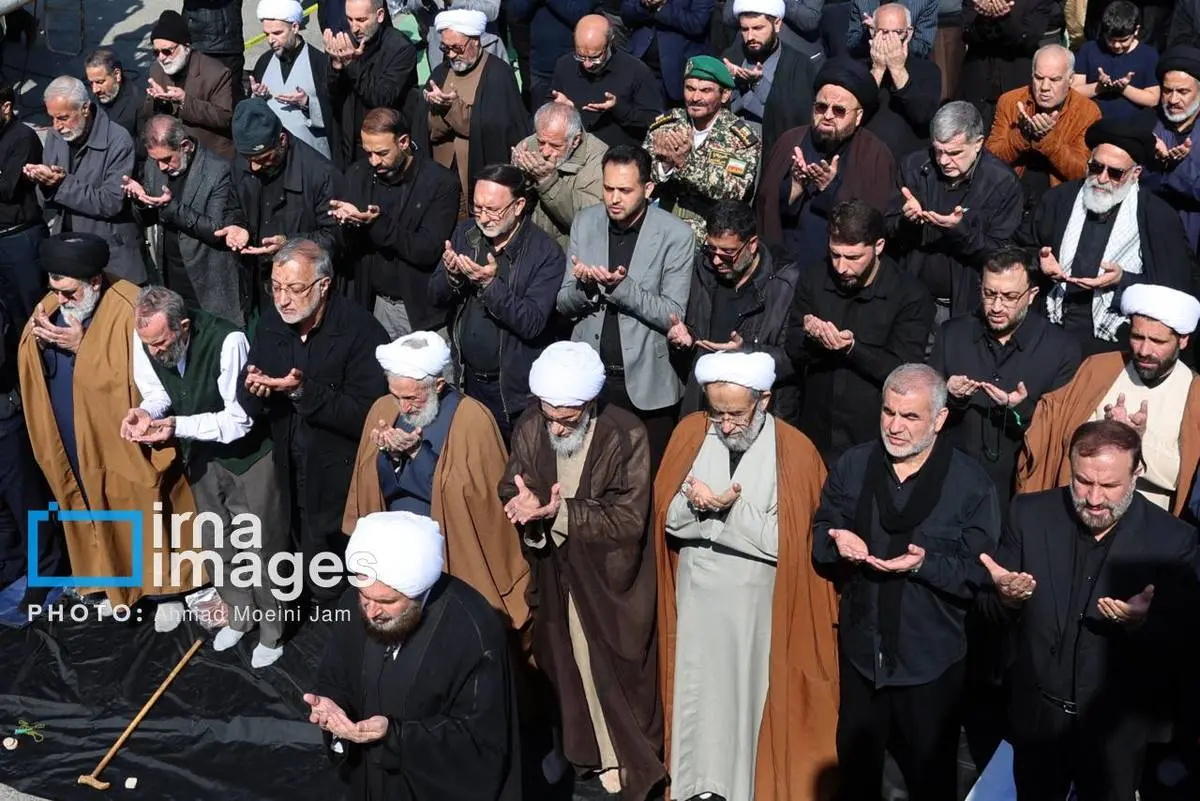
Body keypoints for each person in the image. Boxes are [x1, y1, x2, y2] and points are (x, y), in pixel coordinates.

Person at [653, 350, 840, 801]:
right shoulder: (690, 434)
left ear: (764, 401)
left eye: (736, 414)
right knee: (698, 697)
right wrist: (699, 508)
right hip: (697, 601)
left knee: (744, 700)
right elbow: (666, 517)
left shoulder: (795, 452)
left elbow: (789, 542)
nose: (726, 424)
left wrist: (727, 511)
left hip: (753, 608)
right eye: (717, 413)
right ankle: (695, 784)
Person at [981, 419, 1200, 800]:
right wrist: (1006, 599)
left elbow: (1186, 641)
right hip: (1037, 723)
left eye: (1110, 485)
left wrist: (1141, 625)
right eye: (1083, 481)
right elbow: (988, 614)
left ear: (1137, 472)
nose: (1094, 498)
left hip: (1115, 734)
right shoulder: (1028, 515)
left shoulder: (1173, 540)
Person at [813, 363, 1001, 801]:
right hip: (862, 656)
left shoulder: (970, 484)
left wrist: (924, 565)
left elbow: (979, 575)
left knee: (928, 780)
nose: (894, 427)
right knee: (856, 778)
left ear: (939, 419)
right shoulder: (854, 465)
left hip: (929, 663)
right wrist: (836, 541)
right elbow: (821, 533)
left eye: (910, 416)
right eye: (888, 412)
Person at [499, 341, 664, 799]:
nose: (555, 427)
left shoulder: (625, 434)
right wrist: (527, 508)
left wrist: (561, 512)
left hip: (608, 578)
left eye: (566, 420)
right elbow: (512, 484)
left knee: (613, 667)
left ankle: (624, 757)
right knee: (564, 662)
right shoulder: (531, 426)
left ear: (589, 405)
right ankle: (583, 751)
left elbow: (629, 519)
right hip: (555, 572)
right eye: (550, 416)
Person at [16, 233, 199, 625]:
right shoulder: (55, 304)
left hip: (121, 431)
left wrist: (83, 348)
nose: (60, 300)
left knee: (140, 501)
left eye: (68, 292)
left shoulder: (130, 306)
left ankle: (166, 590)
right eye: (54, 290)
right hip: (73, 428)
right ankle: (110, 581)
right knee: (87, 498)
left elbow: (155, 377)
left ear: (95, 282)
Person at [124, 287, 288, 668]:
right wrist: (146, 414)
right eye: (149, 345)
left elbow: (238, 420)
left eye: (162, 344)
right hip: (200, 454)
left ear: (183, 327)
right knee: (217, 539)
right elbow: (157, 393)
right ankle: (240, 614)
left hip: (247, 457)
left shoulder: (228, 341)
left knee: (259, 544)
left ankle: (273, 630)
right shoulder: (146, 338)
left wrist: (176, 425)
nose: (155, 352)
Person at [307, 510, 520, 801]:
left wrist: (395, 736)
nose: (371, 612)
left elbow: (479, 741)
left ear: (418, 591)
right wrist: (334, 705)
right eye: (364, 597)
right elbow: (336, 674)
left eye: (386, 601)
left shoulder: (473, 631)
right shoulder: (354, 603)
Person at [343, 331, 531, 630]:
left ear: (438, 385)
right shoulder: (383, 408)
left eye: (411, 398)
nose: (403, 407)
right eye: (396, 395)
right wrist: (390, 457)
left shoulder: (472, 419)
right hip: (397, 544)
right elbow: (369, 484)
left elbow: (476, 498)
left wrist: (418, 453)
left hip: (450, 543)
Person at [237, 239, 389, 602]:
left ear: (324, 285)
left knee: (331, 573)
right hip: (287, 468)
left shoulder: (360, 331)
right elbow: (250, 390)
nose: (283, 299)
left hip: (338, 475)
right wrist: (254, 390)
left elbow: (369, 414)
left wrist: (303, 393)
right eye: (276, 287)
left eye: (294, 288)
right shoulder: (271, 323)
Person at [558, 145, 694, 469]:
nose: (614, 198)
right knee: (589, 476)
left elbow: (673, 313)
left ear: (648, 189)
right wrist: (586, 288)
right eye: (608, 188)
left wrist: (622, 289)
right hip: (592, 381)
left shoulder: (676, 235)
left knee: (644, 481)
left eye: (624, 190)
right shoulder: (585, 223)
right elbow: (563, 303)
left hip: (647, 387)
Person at [1018, 283, 1200, 515]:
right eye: (1137, 337)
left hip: (1149, 525)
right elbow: (1057, 430)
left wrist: (1137, 439)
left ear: (1183, 340)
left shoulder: (1194, 392)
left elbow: (1185, 477)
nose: (1144, 350)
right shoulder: (1099, 369)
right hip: (1082, 513)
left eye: (1157, 341)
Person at [1019, 116, 1193, 356]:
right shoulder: (1059, 199)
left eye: (1115, 173)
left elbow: (1174, 289)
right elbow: (1020, 249)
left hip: (1115, 341)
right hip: (1052, 327)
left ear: (1135, 173)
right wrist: (1039, 261)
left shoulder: (1157, 216)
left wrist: (1123, 280)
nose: (1102, 179)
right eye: (1096, 167)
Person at [786, 199, 935, 466]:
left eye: (853, 257)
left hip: (871, 436)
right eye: (835, 255)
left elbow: (904, 371)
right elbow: (793, 346)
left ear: (879, 246)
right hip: (816, 429)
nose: (841, 268)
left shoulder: (909, 295)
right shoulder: (814, 278)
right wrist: (813, 338)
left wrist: (852, 349)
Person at [928, 245, 1082, 503]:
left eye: (1009, 297)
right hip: (952, 485)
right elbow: (925, 410)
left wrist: (1020, 409)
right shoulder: (952, 334)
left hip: (1021, 492)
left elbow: (1061, 433)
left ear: (1032, 295)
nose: (997, 306)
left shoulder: (1061, 350)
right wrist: (948, 394)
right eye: (989, 294)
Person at [429, 164, 564, 440]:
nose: (483, 218)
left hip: (515, 394)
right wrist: (452, 277)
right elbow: (433, 296)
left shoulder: (545, 252)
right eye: (477, 208)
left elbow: (532, 322)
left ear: (519, 205)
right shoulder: (466, 234)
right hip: (467, 381)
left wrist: (489, 285)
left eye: (493, 210)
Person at [886, 101, 1023, 320]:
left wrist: (960, 231)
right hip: (912, 300)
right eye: (938, 151)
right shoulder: (915, 166)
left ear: (978, 143)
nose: (943, 161)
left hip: (964, 307)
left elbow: (1003, 255)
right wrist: (906, 220)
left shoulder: (1001, 183)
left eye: (954, 153)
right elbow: (886, 227)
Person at [334, 108, 461, 339]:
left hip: (418, 310)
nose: (374, 161)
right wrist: (347, 223)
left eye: (382, 153)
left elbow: (428, 249)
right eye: (368, 152)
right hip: (372, 304)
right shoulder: (358, 174)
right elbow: (345, 247)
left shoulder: (440, 183)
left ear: (403, 142)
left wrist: (376, 224)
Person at [671, 200, 800, 421]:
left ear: (752, 244)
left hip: (755, 412)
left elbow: (793, 359)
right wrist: (686, 340)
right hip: (703, 406)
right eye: (712, 248)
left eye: (728, 252)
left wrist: (745, 351)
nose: (716, 260)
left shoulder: (784, 284)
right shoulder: (702, 269)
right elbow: (695, 331)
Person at [757, 58, 895, 262]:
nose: (828, 115)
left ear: (858, 116)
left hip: (837, 268)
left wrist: (831, 190)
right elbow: (766, 208)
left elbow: (873, 222)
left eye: (839, 110)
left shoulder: (874, 156)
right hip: (784, 264)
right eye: (821, 107)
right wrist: (794, 187)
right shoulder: (789, 142)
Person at [126, 115, 249, 326]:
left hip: (207, 280)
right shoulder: (154, 166)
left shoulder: (217, 170)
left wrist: (172, 208)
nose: (162, 167)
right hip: (170, 275)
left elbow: (216, 229)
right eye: (156, 160)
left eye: (167, 159)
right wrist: (140, 201)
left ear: (185, 146)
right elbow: (148, 219)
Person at [26, 76, 146, 286]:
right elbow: (46, 201)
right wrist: (43, 183)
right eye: (52, 118)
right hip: (69, 247)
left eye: (63, 118)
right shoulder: (56, 136)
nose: (57, 126)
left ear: (85, 108)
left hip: (109, 253)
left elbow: (111, 202)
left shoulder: (117, 140)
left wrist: (60, 184)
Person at [222, 99, 341, 310]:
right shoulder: (243, 161)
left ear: (282, 140)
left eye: (263, 158)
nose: (255, 167)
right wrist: (237, 224)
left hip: (302, 290)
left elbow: (334, 237)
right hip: (257, 283)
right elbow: (233, 205)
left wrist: (289, 244)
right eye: (249, 159)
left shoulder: (321, 174)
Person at [420, 9, 530, 216]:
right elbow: (427, 130)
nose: (451, 54)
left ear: (476, 41)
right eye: (445, 48)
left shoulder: (498, 75)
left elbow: (490, 130)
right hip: (443, 175)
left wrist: (450, 107)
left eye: (457, 48)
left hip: (477, 174)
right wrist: (435, 109)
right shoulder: (441, 73)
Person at [642, 55, 762, 241]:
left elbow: (735, 190)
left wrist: (685, 164)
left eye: (705, 91)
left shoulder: (740, 138)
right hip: (661, 226)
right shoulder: (667, 124)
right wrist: (665, 165)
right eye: (690, 89)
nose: (695, 98)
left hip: (710, 236)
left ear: (725, 95)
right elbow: (640, 172)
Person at [985, 45, 1102, 212]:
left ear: (1070, 79)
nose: (1045, 87)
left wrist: (1047, 139)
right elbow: (990, 158)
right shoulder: (1010, 101)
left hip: (1057, 200)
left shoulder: (1087, 111)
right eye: (1039, 78)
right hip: (1012, 193)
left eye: (1054, 80)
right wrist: (1022, 136)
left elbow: (1082, 172)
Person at [324, 0, 418, 170]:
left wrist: (351, 64)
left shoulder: (400, 49)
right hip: (350, 147)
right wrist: (335, 68)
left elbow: (380, 98)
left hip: (386, 150)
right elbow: (332, 97)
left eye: (361, 20)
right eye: (350, 19)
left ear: (380, 15)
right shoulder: (346, 42)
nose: (354, 28)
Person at [722, 0, 820, 159]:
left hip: (776, 154)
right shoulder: (732, 57)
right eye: (745, 29)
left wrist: (758, 83)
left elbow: (794, 117)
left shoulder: (799, 65)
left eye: (758, 28)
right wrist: (728, 81)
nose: (750, 37)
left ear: (777, 24)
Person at [550, 14, 664, 150]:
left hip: (619, 156)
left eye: (595, 57)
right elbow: (547, 108)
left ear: (610, 42)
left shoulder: (636, 71)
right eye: (580, 56)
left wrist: (619, 109)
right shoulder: (564, 65)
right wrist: (561, 109)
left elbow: (653, 119)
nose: (587, 64)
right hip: (574, 152)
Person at [143, 10, 236, 161]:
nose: (162, 58)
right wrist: (156, 100)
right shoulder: (156, 70)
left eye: (167, 51)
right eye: (156, 52)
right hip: (172, 153)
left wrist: (185, 101)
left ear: (186, 47)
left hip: (209, 155)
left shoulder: (217, 73)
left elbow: (225, 118)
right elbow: (147, 118)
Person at [513, 103, 607, 251]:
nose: (545, 152)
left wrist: (547, 181)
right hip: (530, 246)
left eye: (555, 146)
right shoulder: (528, 146)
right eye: (541, 142)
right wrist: (521, 179)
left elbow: (591, 219)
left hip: (570, 251)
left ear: (575, 140)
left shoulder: (598, 158)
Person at [249, 0, 333, 161]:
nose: (271, 40)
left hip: (313, 159)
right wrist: (258, 97)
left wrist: (307, 103)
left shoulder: (319, 63)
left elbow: (337, 115)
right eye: (267, 34)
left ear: (294, 27)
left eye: (277, 33)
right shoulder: (264, 63)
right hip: (275, 159)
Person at [859, 3, 943, 159]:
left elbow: (923, 116)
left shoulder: (928, 71)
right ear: (872, 32)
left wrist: (897, 70)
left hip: (910, 160)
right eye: (884, 32)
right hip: (866, 156)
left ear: (908, 33)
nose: (890, 40)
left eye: (897, 32)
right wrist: (877, 70)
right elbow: (854, 114)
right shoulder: (858, 70)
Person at [1141, 46, 1200, 254]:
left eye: (1183, 92)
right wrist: (1157, 163)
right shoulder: (1147, 123)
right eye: (1167, 91)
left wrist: (1176, 166)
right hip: (1151, 232)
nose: (1173, 100)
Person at [0, 83, 45, 318]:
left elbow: (8, 188)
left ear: (6, 107)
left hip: (19, 240)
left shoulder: (23, 137)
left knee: (30, 312)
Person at [1070, 1, 1161, 119]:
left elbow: (1153, 99)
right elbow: (1074, 92)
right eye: (1110, 39)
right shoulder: (1088, 50)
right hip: (1093, 121)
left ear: (1136, 30)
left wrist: (1124, 89)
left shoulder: (1148, 55)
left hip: (1134, 123)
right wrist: (1099, 87)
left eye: (1123, 40)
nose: (1116, 45)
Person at [621, 0, 716, 107]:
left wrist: (660, 8)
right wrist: (645, 6)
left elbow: (696, 23)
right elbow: (626, 13)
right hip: (642, 63)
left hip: (678, 70)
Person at [84, 48, 145, 146]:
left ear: (117, 75)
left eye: (100, 82)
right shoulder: (90, 98)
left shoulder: (140, 102)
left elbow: (146, 146)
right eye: (91, 83)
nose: (95, 90)